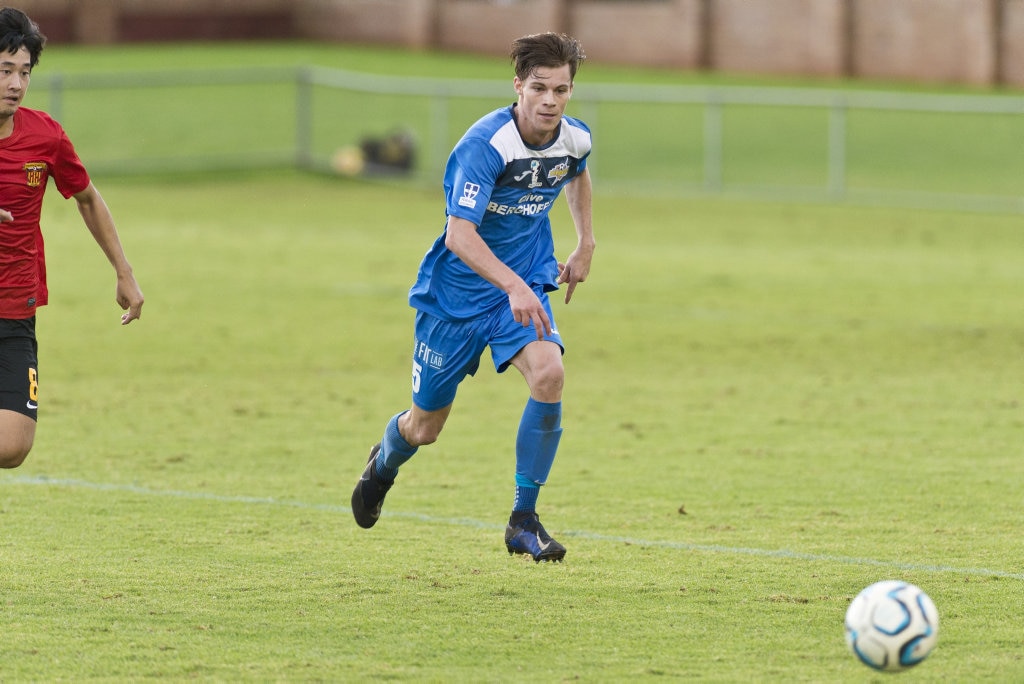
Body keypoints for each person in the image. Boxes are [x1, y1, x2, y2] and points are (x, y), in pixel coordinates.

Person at [351, 32, 594, 563]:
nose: (551, 101)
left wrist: (585, 242)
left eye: (561, 89)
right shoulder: (486, 146)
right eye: (540, 88)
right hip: (456, 300)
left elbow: (575, 172)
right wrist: (511, 285)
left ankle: (523, 520)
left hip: (522, 287)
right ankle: (384, 463)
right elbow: (460, 236)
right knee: (425, 428)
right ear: (518, 86)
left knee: (550, 374)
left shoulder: (573, 138)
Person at [0, 7, 144, 468]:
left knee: (14, 445)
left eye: (24, 72)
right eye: (5, 70)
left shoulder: (45, 137)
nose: (16, 84)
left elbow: (87, 197)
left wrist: (124, 272)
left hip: (13, 310)